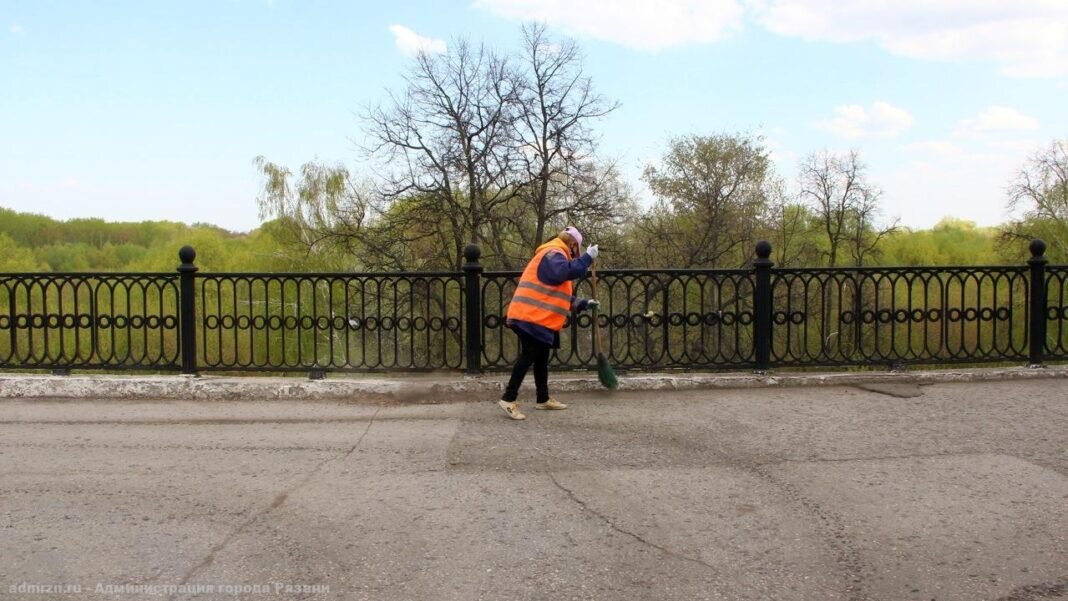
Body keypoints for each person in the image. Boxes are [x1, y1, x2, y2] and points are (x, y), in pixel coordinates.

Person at [498, 226, 600, 420]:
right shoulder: (553, 254)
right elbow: (565, 273)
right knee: (529, 355)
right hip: (530, 316)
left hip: (535, 317)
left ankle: (542, 399)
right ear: (572, 245)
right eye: (576, 250)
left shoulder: (554, 255)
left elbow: (560, 295)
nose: (575, 255)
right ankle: (508, 399)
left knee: (541, 357)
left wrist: (585, 304)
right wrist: (587, 258)